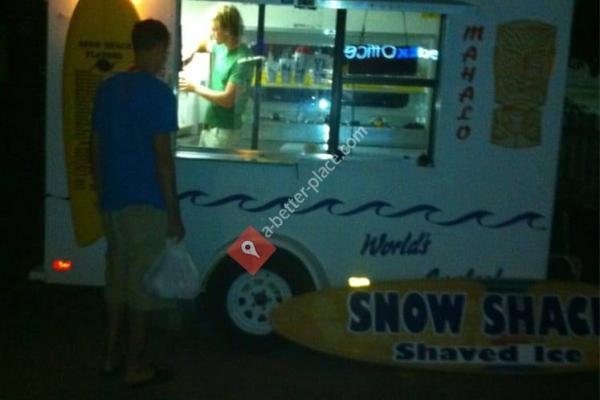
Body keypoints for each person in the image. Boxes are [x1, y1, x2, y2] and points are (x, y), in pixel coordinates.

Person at [90, 19, 184, 387]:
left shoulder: (108, 88)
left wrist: (102, 193)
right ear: (157, 47)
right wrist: (174, 214)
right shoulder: (160, 95)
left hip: (113, 201)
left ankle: (109, 358)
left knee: (116, 281)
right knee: (142, 288)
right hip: (145, 203)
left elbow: (95, 147)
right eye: (166, 49)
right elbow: (163, 160)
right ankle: (134, 367)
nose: (166, 56)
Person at [179, 4, 251, 148]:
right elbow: (204, 44)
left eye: (215, 29)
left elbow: (228, 100)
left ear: (227, 30)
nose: (212, 33)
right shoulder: (221, 47)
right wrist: (189, 55)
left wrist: (195, 88)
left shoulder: (242, 59)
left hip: (225, 133)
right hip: (209, 129)